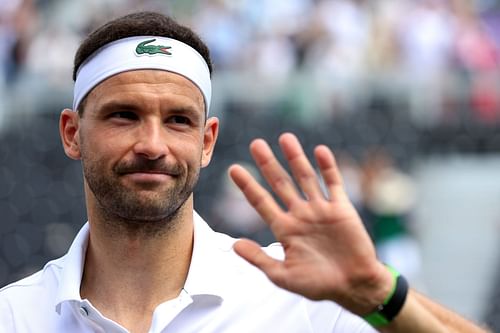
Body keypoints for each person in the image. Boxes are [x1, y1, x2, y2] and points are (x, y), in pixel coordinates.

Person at [0, 11, 490, 333]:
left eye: (178, 120)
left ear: (207, 141)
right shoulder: (15, 316)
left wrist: (376, 292)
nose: (152, 145)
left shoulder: (300, 294)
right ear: (71, 133)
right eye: (123, 115)